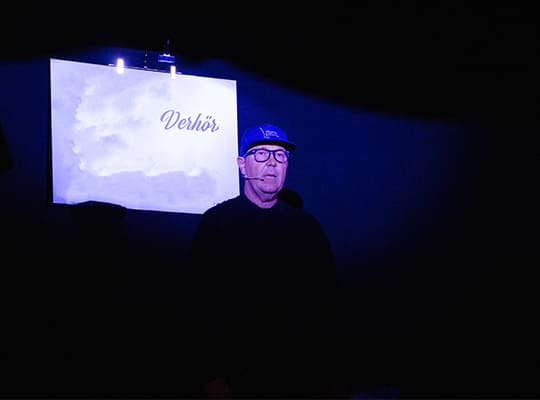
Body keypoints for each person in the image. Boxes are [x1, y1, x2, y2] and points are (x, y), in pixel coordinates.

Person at [188, 123, 338, 398]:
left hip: (297, 376)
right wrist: (209, 373)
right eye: (260, 154)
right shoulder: (217, 223)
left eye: (280, 156)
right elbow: (198, 302)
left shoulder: (306, 228)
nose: (271, 163)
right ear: (242, 165)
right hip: (236, 376)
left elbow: (327, 302)